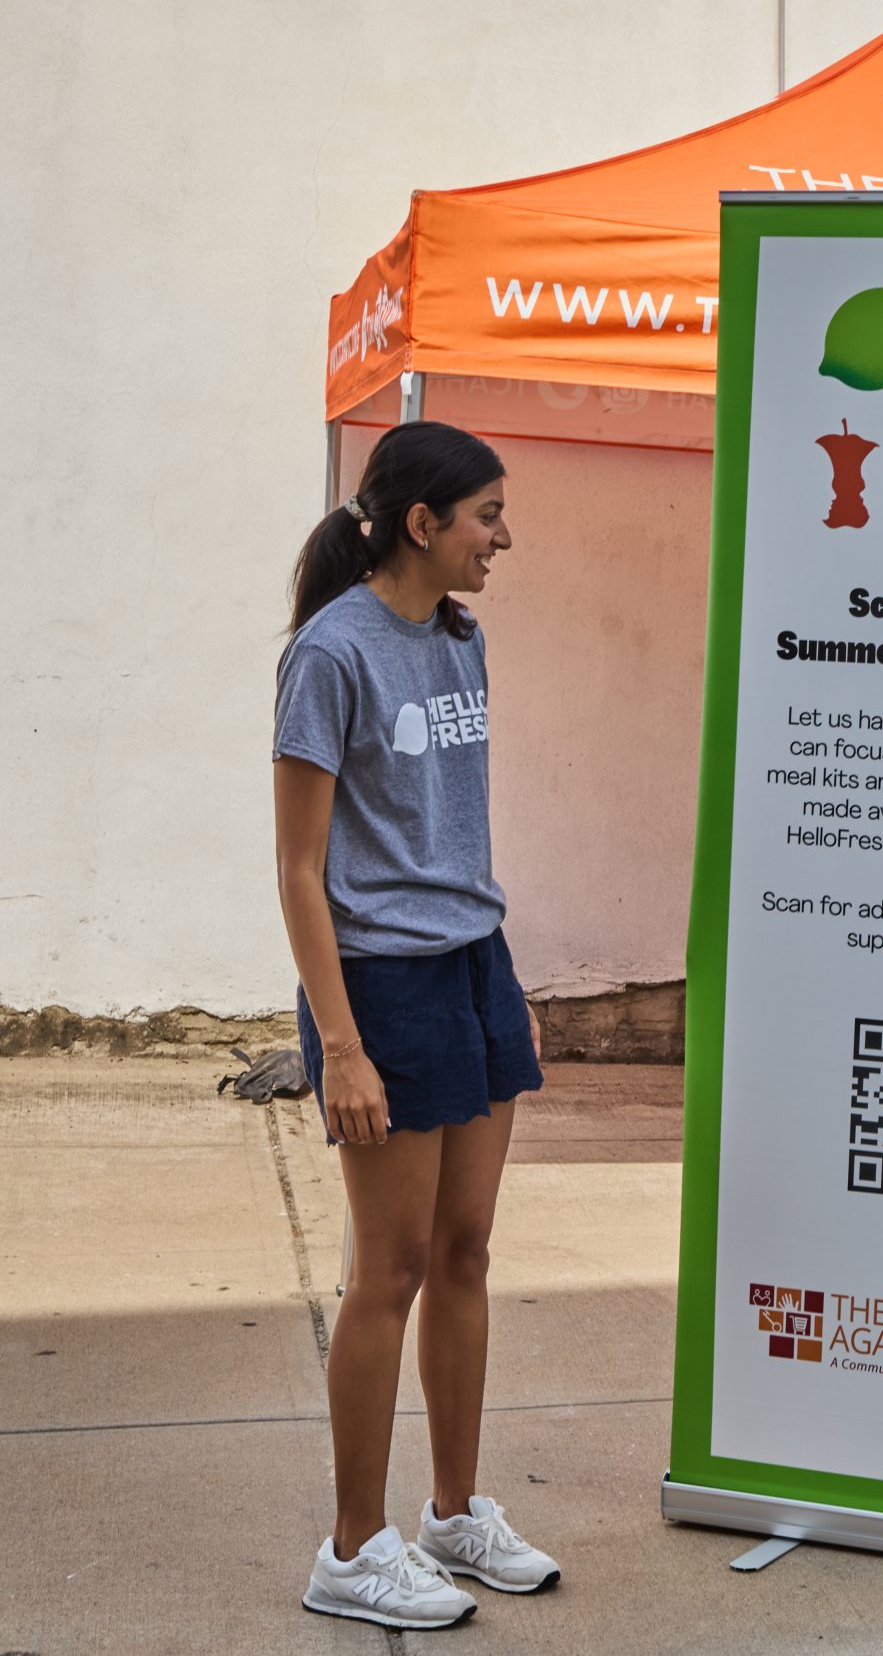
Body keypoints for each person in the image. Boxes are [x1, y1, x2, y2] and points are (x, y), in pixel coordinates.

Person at [274, 422, 559, 1629]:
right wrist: (338, 1042)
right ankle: (351, 1547)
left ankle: (450, 1514)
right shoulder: (331, 655)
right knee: (386, 1270)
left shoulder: (458, 638)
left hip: (473, 964)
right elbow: (297, 869)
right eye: (487, 513)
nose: (504, 535)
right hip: (381, 985)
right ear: (421, 522)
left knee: (465, 1254)